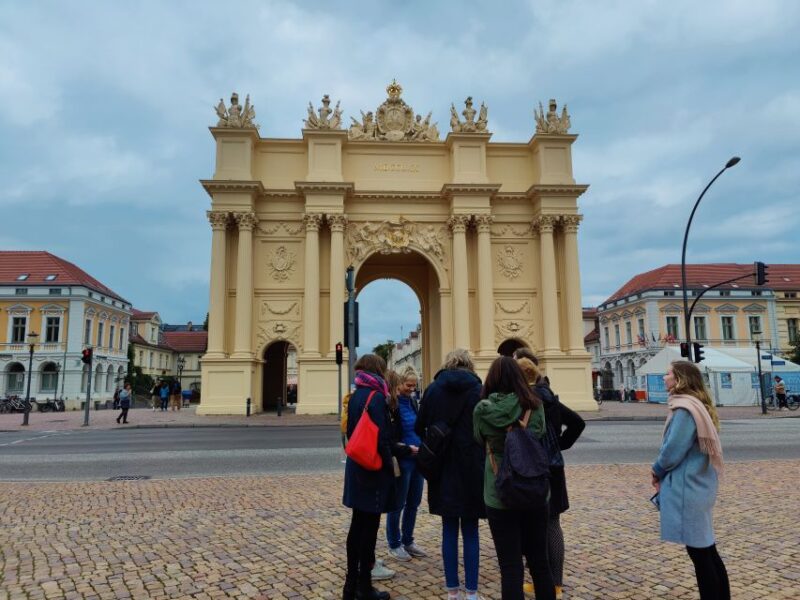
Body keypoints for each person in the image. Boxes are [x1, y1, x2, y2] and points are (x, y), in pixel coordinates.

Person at [473, 356, 556, 600]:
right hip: (534, 489)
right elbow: (539, 432)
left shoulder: (482, 409)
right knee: (540, 562)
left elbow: (479, 439)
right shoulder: (534, 403)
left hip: (500, 491)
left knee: (510, 566)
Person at [652, 360, 728, 600]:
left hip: (689, 487)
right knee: (707, 550)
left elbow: (673, 450)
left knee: (701, 554)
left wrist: (656, 469)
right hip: (699, 483)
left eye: (668, 374)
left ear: (680, 379)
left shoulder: (685, 409)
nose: (664, 378)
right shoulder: (696, 405)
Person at [415, 349, 486, 600]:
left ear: (447, 363)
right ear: (469, 365)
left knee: (448, 529)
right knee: (471, 530)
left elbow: (418, 425)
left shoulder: (433, 389)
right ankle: (472, 593)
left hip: (441, 465)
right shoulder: (479, 389)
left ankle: (452, 591)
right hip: (472, 466)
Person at [516, 358, 585, 600]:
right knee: (551, 524)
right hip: (554, 468)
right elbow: (577, 422)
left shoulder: (529, 399)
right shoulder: (550, 396)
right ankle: (553, 584)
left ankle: (547, 584)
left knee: (539, 526)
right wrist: (560, 446)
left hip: (536, 468)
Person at [342, 354, 398, 600]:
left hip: (356, 467)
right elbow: (383, 439)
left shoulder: (355, 396)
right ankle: (364, 588)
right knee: (369, 530)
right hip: (373, 469)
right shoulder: (377, 398)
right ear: (379, 370)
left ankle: (350, 586)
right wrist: (392, 465)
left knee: (357, 527)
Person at [385, 367, 426, 562]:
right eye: (408, 385)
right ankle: (394, 543)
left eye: (414, 385)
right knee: (397, 504)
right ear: (399, 384)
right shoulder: (391, 405)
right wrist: (407, 449)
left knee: (414, 503)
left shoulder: (412, 402)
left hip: (417, 460)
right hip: (402, 460)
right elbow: (389, 439)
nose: (411, 388)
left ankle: (408, 540)